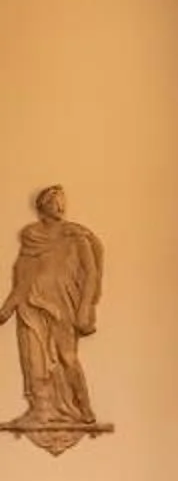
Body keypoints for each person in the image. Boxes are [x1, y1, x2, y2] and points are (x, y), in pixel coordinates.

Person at [0, 186, 104, 434]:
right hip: (31, 306)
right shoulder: (31, 236)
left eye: (62, 201)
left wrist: (85, 308)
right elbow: (23, 278)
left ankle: (84, 408)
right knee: (34, 360)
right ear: (42, 205)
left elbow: (91, 274)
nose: (60, 205)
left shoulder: (75, 236)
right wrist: (7, 309)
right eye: (54, 201)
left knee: (67, 357)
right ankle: (40, 410)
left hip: (62, 306)